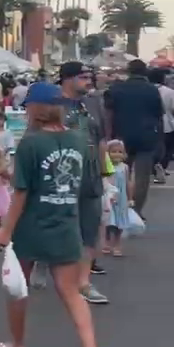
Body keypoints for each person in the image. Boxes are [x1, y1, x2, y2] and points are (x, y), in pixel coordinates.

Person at [0, 82, 104, 347]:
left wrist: (5, 229)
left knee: (17, 286)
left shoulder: (31, 143)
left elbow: (21, 193)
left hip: (32, 225)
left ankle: (17, 343)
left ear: (35, 109)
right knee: (70, 292)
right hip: (65, 221)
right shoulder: (79, 140)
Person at [60, 62, 110, 305]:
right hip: (62, 176)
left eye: (90, 76)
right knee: (59, 228)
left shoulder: (92, 104)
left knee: (90, 227)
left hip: (90, 176)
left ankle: (83, 283)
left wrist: (105, 174)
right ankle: (45, 263)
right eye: (83, 77)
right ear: (67, 79)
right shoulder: (51, 105)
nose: (89, 81)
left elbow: (101, 139)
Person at [104, 59, 162, 215]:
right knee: (142, 176)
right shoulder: (152, 90)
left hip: (121, 136)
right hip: (146, 136)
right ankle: (136, 211)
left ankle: (119, 207)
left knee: (120, 172)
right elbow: (158, 115)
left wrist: (108, 136)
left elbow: (109, 113)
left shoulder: (117, 88)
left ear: (128, 71)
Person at [103, 140, 132, 257]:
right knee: (107, 221)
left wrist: (130, 198)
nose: (117, 154)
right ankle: (107, 242)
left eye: (120, 152)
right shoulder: (105, 166)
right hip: (109, 197)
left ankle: (117, 244)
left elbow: (128, 184)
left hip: (121, 199)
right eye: (113, 151)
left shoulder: (125, 167)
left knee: (119, 222)